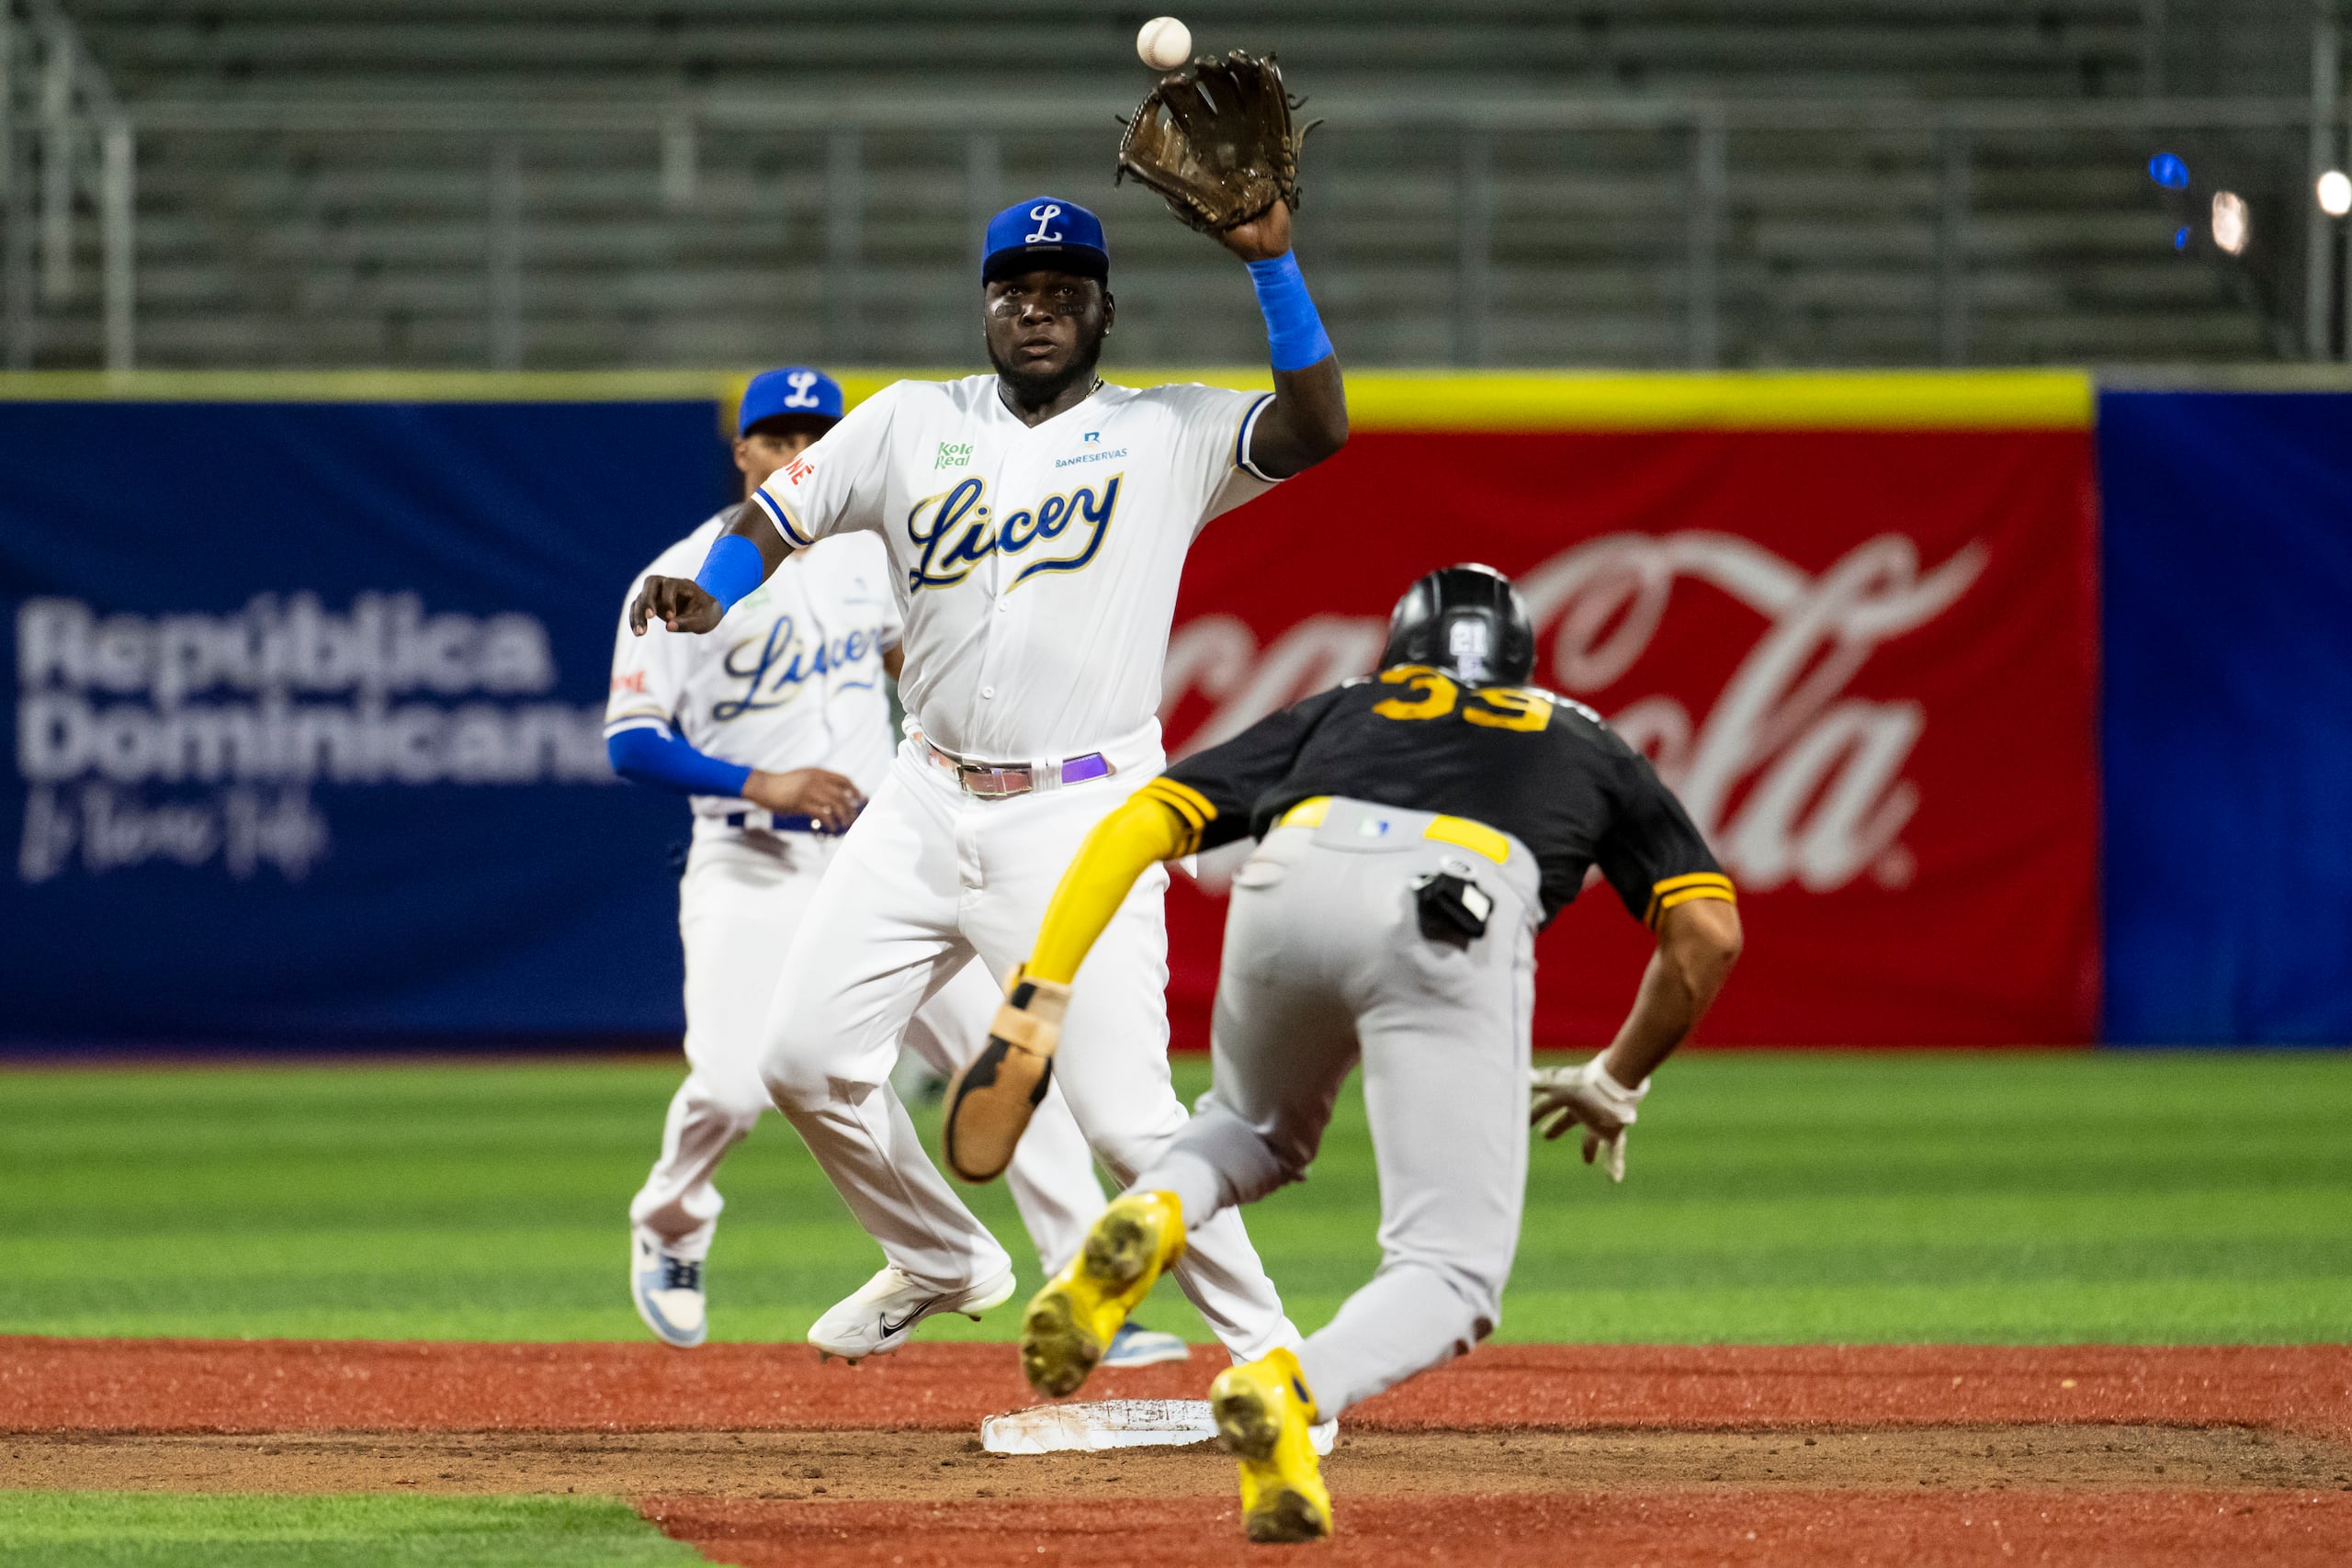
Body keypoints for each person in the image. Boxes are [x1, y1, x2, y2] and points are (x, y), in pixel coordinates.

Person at [628, 192, 1350, 1366]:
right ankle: (943, 1259)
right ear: (984, 310)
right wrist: (717, 585)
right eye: (1015, 291)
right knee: (799, 1060)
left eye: (1064, 292)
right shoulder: (907, 421)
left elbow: (1317, 431)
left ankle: (1276, 1356)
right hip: (923, 798)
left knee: (1125, 1121)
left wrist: (1272, 267)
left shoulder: (1166, 432)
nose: (1036, 310)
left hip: (1082, 809)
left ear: (1106, 311)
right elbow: (775, 515)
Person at [996, 564, 1744, 1543]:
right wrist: (1615, 1079)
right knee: (1449, 1273)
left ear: (1401, 650)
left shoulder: (1348, 703)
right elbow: (1708, 937)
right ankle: (1286, 1385)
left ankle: (1154, 1205)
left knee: (1250, 1129)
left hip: (1286, 874)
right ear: (1520, 663)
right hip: (1455, 900)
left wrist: (1038, 992)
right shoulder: (1583, 736)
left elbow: (1139, 821)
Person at [604, 365, 1184, 1370]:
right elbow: (631, 741)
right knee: (739, 1087)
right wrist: (763, 781)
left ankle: (1087, 1295)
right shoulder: (689, 572)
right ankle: (671, 1215)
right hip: (748, 861)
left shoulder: (875, 560)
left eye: (814, 437)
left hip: (890, 861)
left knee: (1007, 1069)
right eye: (778, 440)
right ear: (743, 454)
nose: (799, 455)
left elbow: (927, 662)